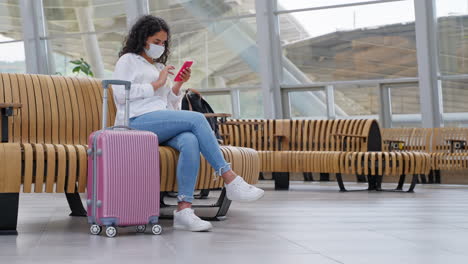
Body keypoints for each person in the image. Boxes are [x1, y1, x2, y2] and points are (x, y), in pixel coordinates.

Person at [112, 15, 264, 232]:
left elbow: (168, 103)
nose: (160, 46)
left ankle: (184, 209)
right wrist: (157, 83)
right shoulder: (128, 60)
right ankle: (229, 177)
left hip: (158, 119)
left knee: (190, 140)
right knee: (197, 118)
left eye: (163, 43)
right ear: (143, 38)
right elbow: (119, 94)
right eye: (156, 42)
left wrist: (177, 84)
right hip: (135, 121)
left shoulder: (157, 66)